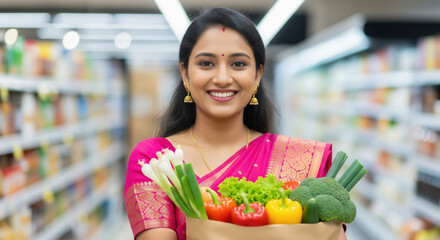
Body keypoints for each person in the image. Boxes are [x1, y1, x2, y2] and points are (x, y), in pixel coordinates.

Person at [124, 7, 345, 240]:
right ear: (185, 74)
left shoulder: (297, 160)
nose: (222, 78)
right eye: (206, 63)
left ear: (257, 75)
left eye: (238, 64)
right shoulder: (156, 161)